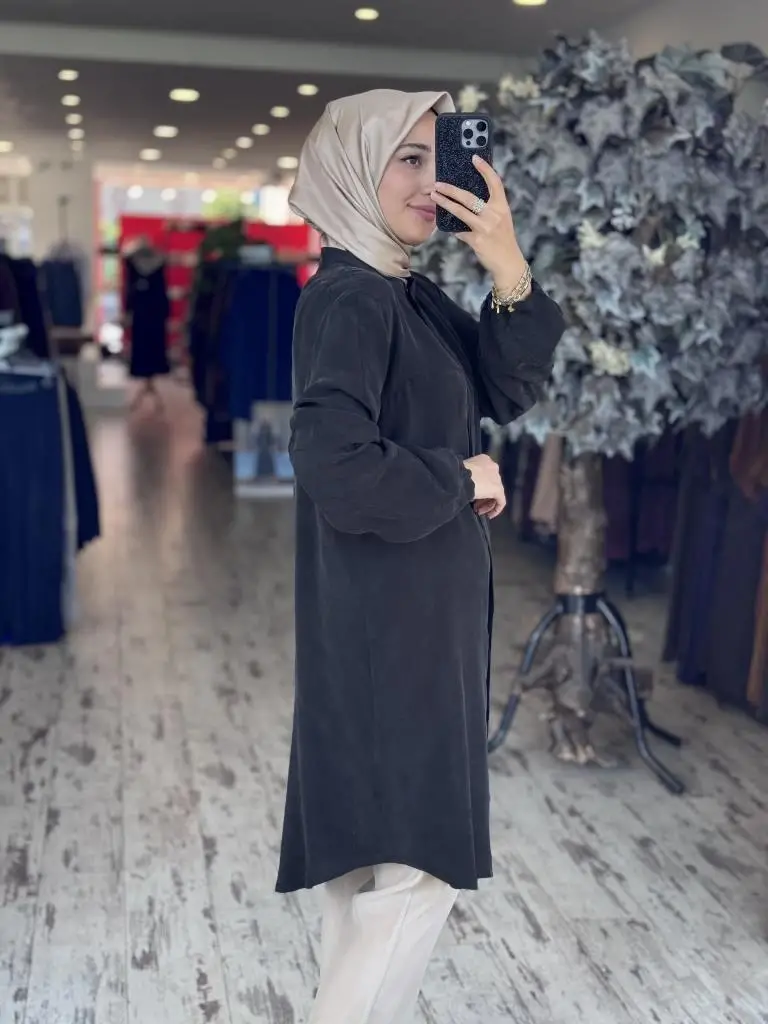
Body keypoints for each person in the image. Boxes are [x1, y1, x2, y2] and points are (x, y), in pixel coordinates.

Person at [275, 89, 565, 1023]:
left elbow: (504, 387)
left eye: (435, 158)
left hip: (395, 609)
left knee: (371, 864)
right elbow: (335, 463)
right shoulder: (355, 298)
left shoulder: (402, 291)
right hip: (394, 620)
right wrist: (459, 475)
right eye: (406, 158)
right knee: (419, 862)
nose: (429, 181)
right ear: (353, 168)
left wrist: (506, 261)